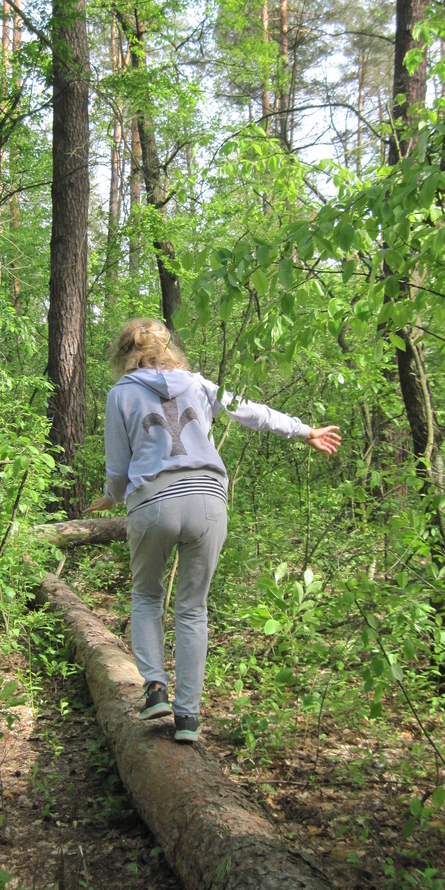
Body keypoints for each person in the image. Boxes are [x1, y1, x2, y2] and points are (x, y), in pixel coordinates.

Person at [84, 318, 341, 743]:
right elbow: (253, 412)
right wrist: (305, 430)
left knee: (147, 595)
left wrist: (112, 497)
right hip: (208, 501)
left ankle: (155, 688)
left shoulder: (121, 394)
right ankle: (188, 717)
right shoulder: (197, 384)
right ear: (171, 349)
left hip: (153, 502)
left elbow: (119, 465)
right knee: (192, 608)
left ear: (124, 352)